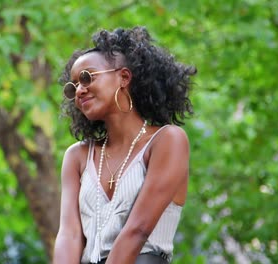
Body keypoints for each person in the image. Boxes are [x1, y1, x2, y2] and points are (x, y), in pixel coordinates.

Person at [53, 26, 196, 264]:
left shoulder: (167, 140)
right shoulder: (77, 156)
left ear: (124, 77)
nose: (79, 90)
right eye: (73, 86)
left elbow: (137, 230)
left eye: (87, 77)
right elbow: (69, 235)